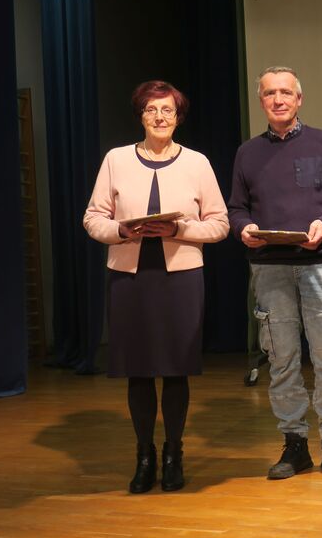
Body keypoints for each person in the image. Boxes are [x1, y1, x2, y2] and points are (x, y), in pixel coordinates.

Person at [83, 80, 229, 493]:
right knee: (139, 370)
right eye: (151, 110)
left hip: (181, 278)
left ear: (178, 117)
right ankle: (144, 455)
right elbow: (93, 217)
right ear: (140, 116)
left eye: (167, 110)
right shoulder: (116, 159)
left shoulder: (197, 163)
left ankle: (173, 453)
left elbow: (219, 224)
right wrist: (121, 230)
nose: (160, 117)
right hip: (130, 277)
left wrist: (179, 229)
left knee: (176, 368)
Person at [228, 66, 322, 480]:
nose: (278, 99)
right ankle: (295, 444)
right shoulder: (247, 153)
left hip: (320, 265)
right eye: (270, 93)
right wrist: (243, 228)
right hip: (270, 269)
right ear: (261, 101)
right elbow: (236, 208)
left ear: (299, 99)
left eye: (285, 92)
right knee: (282, 360)